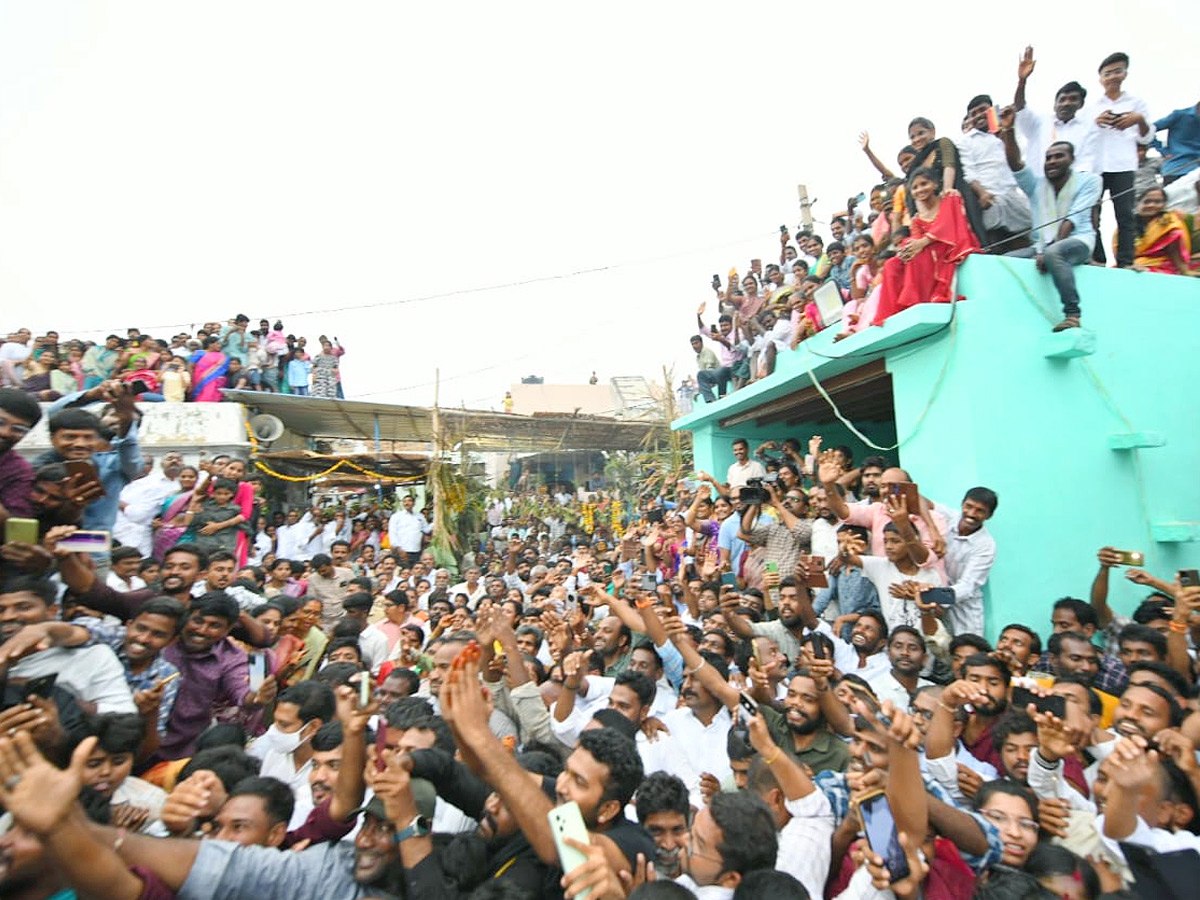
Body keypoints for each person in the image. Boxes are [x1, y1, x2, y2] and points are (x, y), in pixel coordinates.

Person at [999, 106, 1104, 332]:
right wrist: (1008, 129)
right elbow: (1015, 163)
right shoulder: (1037, 185)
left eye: (1058, 157)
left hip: (1079, 241)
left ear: (1071, 160)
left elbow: (1074, 217)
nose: (1052, 161)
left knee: (1054, 253)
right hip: (1041, 246)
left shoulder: (1090, 181)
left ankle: (1072, 314)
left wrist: (1050, 249)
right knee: (1005, 260)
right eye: (1048, 158)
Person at [871, 167, 980, 325]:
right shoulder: (917, 219)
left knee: (919, 253)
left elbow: (948, 225)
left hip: (950, 247)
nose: (920, 189)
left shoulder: (950, 198)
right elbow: (915, 239)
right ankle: (889, 316)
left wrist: (922, 242)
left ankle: (917, 303)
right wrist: (905, 252)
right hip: (929, 249)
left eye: (924, 184)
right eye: (915, 187)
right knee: (892, 264)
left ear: (935, 184)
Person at [1091, 52, 1155, 267]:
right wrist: (1097, 122)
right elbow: (1084, 137)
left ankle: (1126, 261)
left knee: (1125, 215)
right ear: (1101, 79)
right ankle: (1097, 258)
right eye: (1107, 73)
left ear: (1125, 73)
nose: (1112, 77)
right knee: (1092, 213)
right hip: (1097, 166)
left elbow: (1147, 138)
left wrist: (1138, 119)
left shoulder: (1136, 103)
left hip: (1123, 165)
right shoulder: (1092, 106)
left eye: (1117, 71)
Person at [959, 93, 1032, 250]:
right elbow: (968, 172)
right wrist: (982, 193)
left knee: (1026, 242)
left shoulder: (1008, 131)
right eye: (974, 114)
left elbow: (1017, 161)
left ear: (991, 110)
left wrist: (1006, 131)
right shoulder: (966, 141)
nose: (979, 115)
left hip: (1014, 196)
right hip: (989, 199)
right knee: (997, 247)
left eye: (982, 110)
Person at [1013, 46, 1098, 176]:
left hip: (1071, 187)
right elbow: (1020, 108)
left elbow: (1087, 162)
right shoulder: (1039, 122)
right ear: (1055, 105)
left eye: (1073, 99)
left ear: (1080, 105)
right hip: (1039, 186)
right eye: (1062, 99)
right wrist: (1022, 81)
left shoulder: (1087, 128)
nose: (1066, 103)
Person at [1129, 186, 1192, 273]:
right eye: (1147, 201)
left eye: (1157, 202)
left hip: (1163, 266)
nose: (1151, 205)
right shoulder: (1128, 224)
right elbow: (1119, 249)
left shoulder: (1170, 222)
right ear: (1138, 204)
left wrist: (1185, 272)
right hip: (1131, 264)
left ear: (1165, 205)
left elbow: (1175, 252)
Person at [0, 387, 41, 521]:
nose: (5, 432)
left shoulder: (19, 471)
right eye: (1, 422)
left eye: (18, 429)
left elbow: (17, 527)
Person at [1154, 98, 1200, 184]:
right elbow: (1147, 130)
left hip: (1197, 172)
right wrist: (1163, 151)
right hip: (1176, 168)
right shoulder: (1180, 115)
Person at [387, 495, 431, 566]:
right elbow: (392, 533)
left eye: (409, 501)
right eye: (404, 501)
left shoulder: (420, 516)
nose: (407, 503)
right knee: (404, 572)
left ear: (414, 503)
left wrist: (437, 521)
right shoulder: (396, 516)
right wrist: (399, 549)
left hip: (417, 550)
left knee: (415, 571)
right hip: (402, 550)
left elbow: (426, 530)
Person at [191, 336, 229, 402]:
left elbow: (220, 368)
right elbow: (190, 366)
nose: (219, 346)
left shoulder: (222, 356)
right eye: (217, 343)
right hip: (199, 379)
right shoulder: (199, 353)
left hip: (215, 380)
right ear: (210, 344)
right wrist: (191, 380)